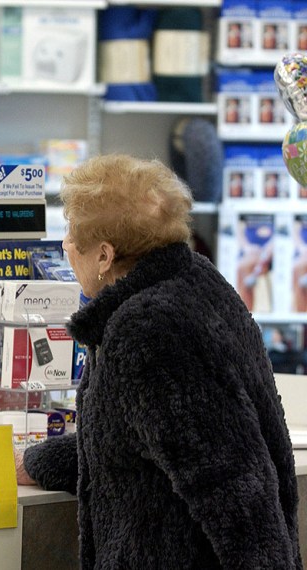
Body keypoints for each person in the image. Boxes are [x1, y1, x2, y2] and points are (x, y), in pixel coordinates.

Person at [15, 154, 301, 568]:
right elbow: (134, 443)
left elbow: (231, 484)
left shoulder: (145, 330)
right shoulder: (198, 281)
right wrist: (38, 462)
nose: (65, 245)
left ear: (104, 256)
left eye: (73, 233)